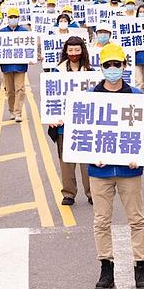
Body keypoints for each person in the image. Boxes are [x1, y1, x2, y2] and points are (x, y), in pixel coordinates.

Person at [89, 43, 144, 289]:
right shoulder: (89, 97)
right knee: (101, 221)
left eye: (117, 64)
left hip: (129, 170)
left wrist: (140, 155)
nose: (113, 69)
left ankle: (140, 266)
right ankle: (106, 267)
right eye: (108, 65)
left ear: (124, 66)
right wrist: (91, 156)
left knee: (136, 219)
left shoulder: (137, 96)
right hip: (99, 170)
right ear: (101, 67)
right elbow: (81, 135)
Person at [54, 36, 93, 206]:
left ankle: (91, 192)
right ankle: (68, 193)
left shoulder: (91, 73)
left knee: (87, 161)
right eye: (70, 50)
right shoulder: (57, 71)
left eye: (77, 50)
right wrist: (52, 118)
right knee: (66, 162)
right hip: (64, 125)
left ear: (82, 51)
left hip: (86, 124)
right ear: (66, 52)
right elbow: (51, 99)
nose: (74, 53)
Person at [0, 7, 28, 123]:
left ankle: (18, 112)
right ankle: (11, 110)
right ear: (7, 18)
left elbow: (30, 48)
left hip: (20, 66)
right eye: (11, 17)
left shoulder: (24, 32)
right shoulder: (1, 33)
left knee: (20, 89)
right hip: (6, 66)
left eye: (15, 17)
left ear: (18, 18)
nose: (13, 19)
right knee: (10, 90)